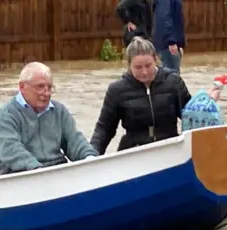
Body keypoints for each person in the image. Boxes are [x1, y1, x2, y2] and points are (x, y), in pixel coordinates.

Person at [90, 36, 220, 155]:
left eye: (148, 65)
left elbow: (190, 115)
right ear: (129, 65)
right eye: (138, 67)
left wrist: (205, 103)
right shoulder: (117, 90)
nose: (145, 72)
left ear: (155, 60)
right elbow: (103, 130)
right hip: (133, 153)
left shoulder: (173, 81)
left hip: (170, 149)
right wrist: (91, 156)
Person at [0, 62, 98, 176]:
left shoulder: (59, 111)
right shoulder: (7, 114)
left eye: (49, 87)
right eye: (40, 87)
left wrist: (89, 157)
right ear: (22, 87)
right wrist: (36, 169)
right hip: (14, 174)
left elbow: (74, 140)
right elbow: (10, 149)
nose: (47, 93)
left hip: (53, 170)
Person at [152, 0, 186, 73]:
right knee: (171, 77)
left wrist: (180, 44)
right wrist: (171, 41)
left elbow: (176, 20)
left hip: (169, 43)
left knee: (171, 75)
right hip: (167, 44)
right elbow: (164, 18)